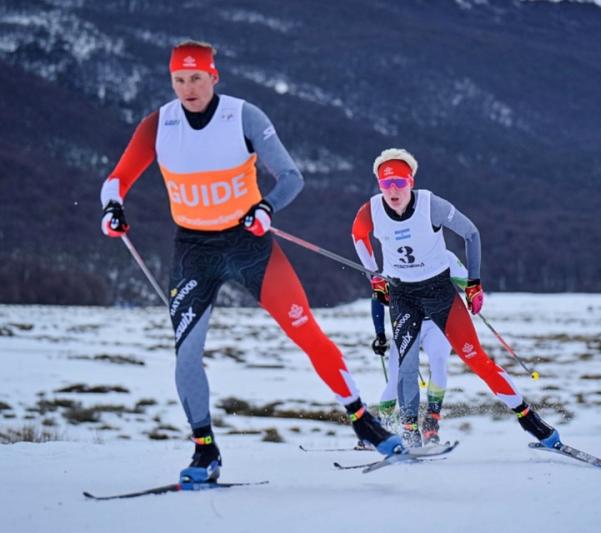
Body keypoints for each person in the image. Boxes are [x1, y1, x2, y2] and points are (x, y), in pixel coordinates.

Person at [99, 40, 401, 483]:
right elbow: (116, 180)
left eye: (196, 77)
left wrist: (266, 208)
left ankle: (365, 423)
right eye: (179, 80)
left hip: (250, 244)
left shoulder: (243, 117)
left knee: (306, 333)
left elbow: (291, 177)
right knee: (186, 357)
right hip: (193, 252)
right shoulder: (158, 125)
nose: (188, 88)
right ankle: (205, 451)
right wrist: (113, 209)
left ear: (213, 76)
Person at [351, 148, 562, 450]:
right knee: (406, 365)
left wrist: (473, 283)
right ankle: (410, 432)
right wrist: (375, 276)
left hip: (439, 294)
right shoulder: (369, 211)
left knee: (476, 359)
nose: (393, 191)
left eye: (400, 182)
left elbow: (471, 233)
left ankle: (535, 425)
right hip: (402, 295)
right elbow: (358, 236)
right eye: (386, 184)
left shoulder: (430, 205)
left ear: (411, 182)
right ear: (379, 186)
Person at [370, 251, 467, 446]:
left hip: (435, 324)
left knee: (439, 364)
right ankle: (383, 428)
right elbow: (376, 298)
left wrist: (472, 291)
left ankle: (431, 423)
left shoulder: (443, 255)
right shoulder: (394, 255)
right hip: (407, 322)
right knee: (396, 379)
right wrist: (380, 334)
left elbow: (465, 278)